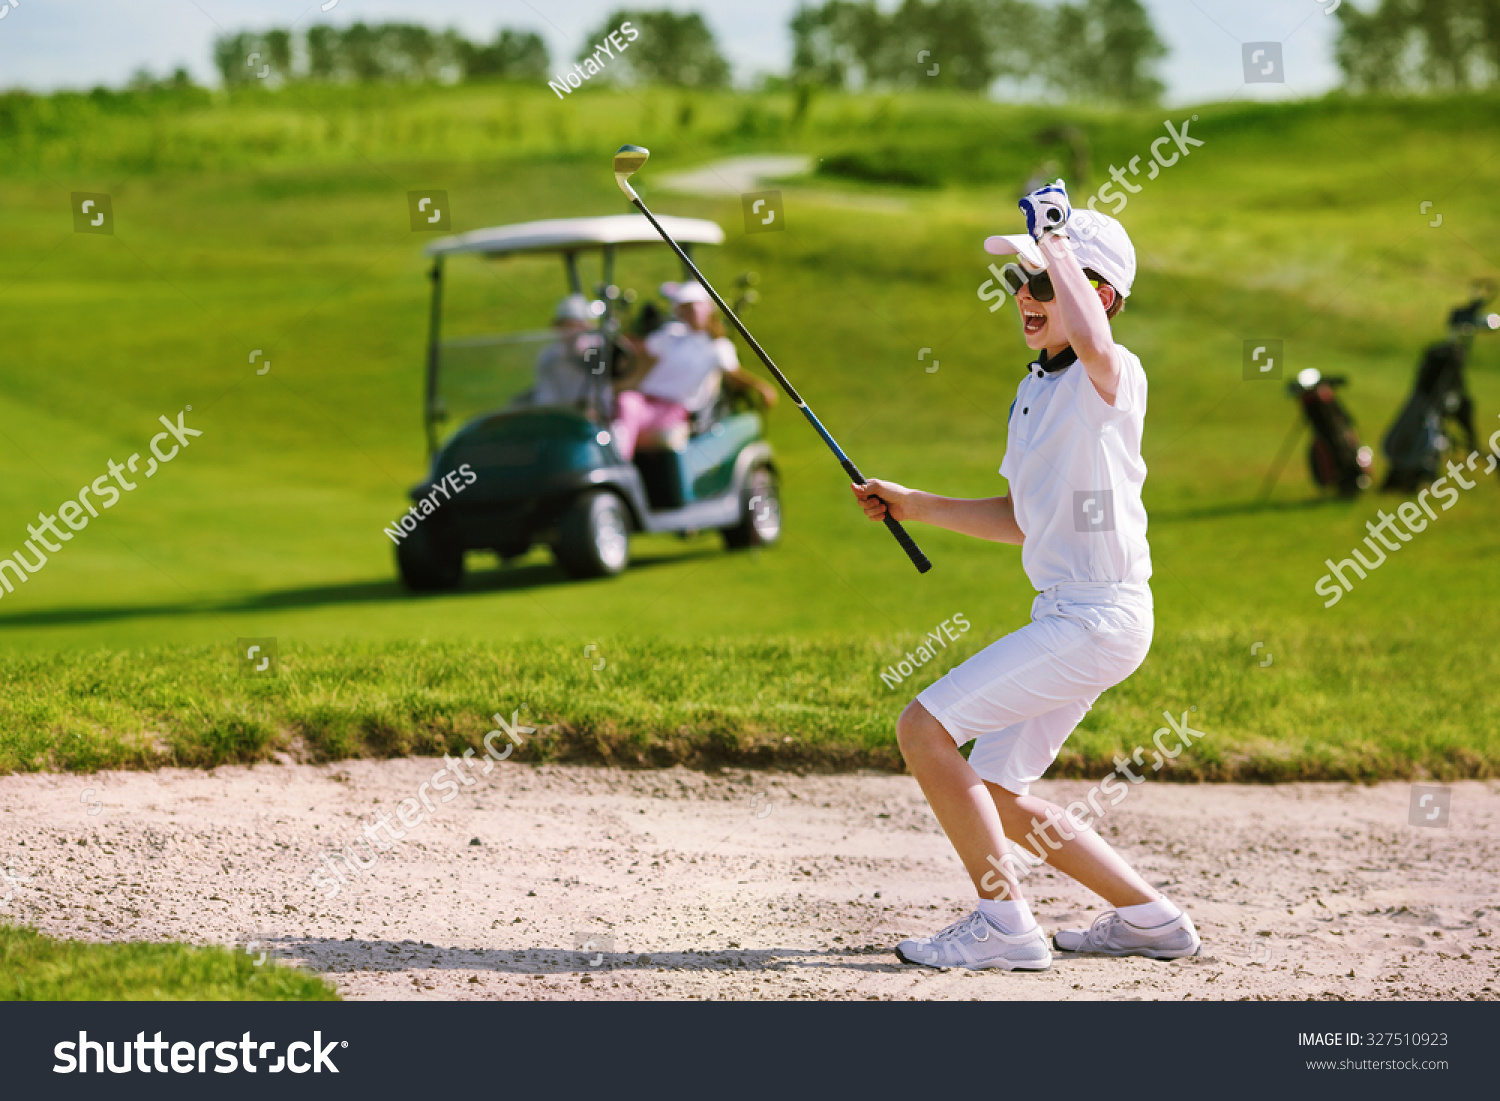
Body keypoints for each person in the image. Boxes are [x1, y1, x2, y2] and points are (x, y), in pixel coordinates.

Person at [851, 181, 1200, 971]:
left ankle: (1004, 923)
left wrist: (1060, 244)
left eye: (1040, 282)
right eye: (1020, 281)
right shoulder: (1033, 390)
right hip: (1073, 618)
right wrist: (915, 504)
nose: (1024, 296)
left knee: (922, 728)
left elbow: (1099, 347)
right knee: (995, 786)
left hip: (1097, 617)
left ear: (1098, 295)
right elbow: (1019, 517)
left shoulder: (1114, 376)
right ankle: (1151, 917)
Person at [611, 281, 777, 460]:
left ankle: (619, 461)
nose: (691, 312)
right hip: (647, 403)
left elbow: (733, 375)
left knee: (627, 403)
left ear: (708, 308)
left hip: (675, 410)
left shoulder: (718, 346)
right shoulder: (672, 335)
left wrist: (761, 387)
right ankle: (616, 459)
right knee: (620, 402)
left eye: (695, 306)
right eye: (685, 308)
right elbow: (640, 346)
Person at [531, 294, 606, 409]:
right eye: (566, 326)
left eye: (577, 326)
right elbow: (546, 396)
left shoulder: (597, 352)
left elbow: (603, 392)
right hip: (562, 418)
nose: (572, 331)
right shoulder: (549, 357)